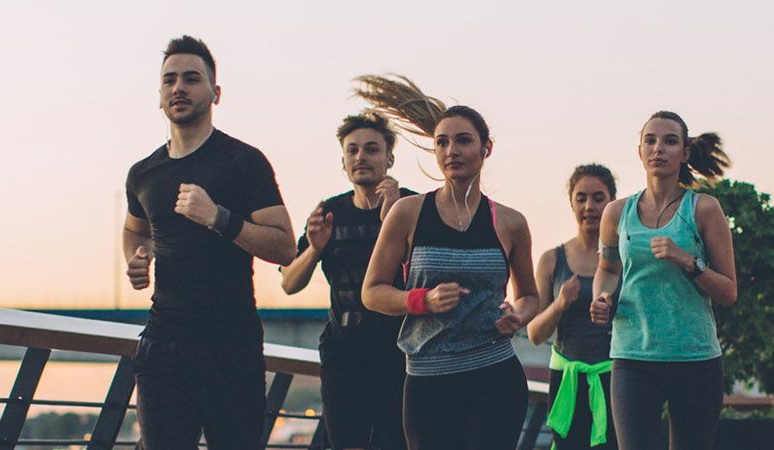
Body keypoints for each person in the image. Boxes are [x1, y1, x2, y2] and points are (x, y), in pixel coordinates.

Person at [120, 35, 297, 449]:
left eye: (191, 78)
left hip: (231, 347)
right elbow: (134, 230)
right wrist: (137, 258)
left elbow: (285, 247)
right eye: (169, 80)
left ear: (215, 93)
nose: (178, 87)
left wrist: (219, 218)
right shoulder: (143, 173)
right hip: (163, 345)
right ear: (159, 97)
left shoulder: (243, 161)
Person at [354, 74, 542, 450]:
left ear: (486, 149)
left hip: (494, 375)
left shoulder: (509, 222)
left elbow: (530, 296)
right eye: (442, 142)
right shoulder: (408, 213)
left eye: (463, 140)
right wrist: (421, 300)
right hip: (428, 381)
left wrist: (518, 316)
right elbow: (371, 293)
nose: (451, 150)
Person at [587, 111, 738, 450]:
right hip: (632, 358)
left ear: (684, 153)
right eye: (650, 141)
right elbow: (608, 270)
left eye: (670, 141)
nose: (659, 148)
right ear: (640, 151)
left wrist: (687, 261)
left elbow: (729, 291)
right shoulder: (616, 213)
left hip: (695, 360)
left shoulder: (704, 209)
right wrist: (601, 298)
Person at [278, 111, 418, 450]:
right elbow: (289, 283)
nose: (361, 157)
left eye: (371, 149)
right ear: (343, 162)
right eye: (352, 150)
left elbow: (425, 272)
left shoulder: (413, 206)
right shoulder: (331, 212)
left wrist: (392, 219)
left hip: (399, 351)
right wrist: (314, 249)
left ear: (389, 158)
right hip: (344, 352)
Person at [525, 164, 621, 450]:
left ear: (611, 203)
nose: (589, 206)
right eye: (581, 198)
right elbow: (535, 334)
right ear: (571, 203)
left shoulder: (625, 260)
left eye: (598, 197)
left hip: (615, 378)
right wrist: (561, 303)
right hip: (567, 378)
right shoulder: (552, 260)